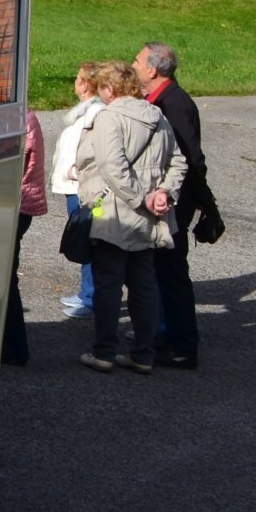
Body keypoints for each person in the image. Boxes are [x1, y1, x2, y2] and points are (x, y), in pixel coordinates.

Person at [74, 62, 188, 374]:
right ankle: (143, 354)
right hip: (151, 217)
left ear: (109, 89)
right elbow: (178, 162)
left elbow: (113, 167)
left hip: (118, 213)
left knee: (109, 284)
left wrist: (141, 199)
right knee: (144, 284)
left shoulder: (110, 117)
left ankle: (104, 352)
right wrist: (163, 193)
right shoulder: (158, 116)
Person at [134, 41, 205, 370]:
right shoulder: (161, 99)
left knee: (173, 273)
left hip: (174, 201)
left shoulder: (174, 104)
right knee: (163, 271)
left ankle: (183, 347)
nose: (133, 66)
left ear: (152, 69)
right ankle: (167, 337)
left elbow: (191, 160)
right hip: (168, 200)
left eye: (137, 61)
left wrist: (179, 198)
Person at [53, 64, 110, 317]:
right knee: (83, 238)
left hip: (82, 188)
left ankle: (91, 297)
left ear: (85, 85)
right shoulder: (85, 111)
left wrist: (75, 171)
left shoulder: (94, 112)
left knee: (87, 239)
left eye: (77, 78)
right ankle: (86, 292)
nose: (75, 83)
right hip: (74, 186)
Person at [6, 106, 45, 364]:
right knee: (7, 276)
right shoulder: (27, 118)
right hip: (22, 205)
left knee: (6, 278)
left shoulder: (22, 121)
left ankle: (14, 348)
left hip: (16, 206)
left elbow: (12, 165)